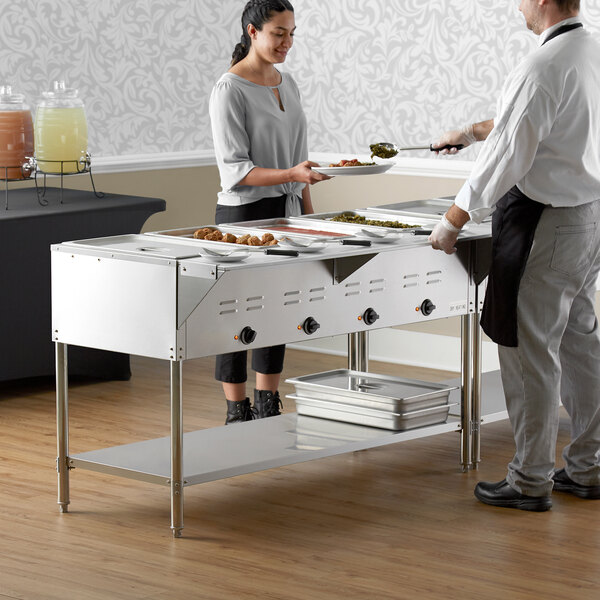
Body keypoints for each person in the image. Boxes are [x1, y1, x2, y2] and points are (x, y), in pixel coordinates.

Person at [429, 0, 600, 510]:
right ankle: (589, 466)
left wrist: (452, 220)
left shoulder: (543, 64)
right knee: (581, 347)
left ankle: (530, 479)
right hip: (588, 220)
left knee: (530, 352)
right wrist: (469, 132)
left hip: (545, 226)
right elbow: (531, 122)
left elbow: (508, 154)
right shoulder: (589, 51)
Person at [209, 0, 329, 425]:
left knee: (278, 307)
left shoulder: (287, 83)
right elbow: (236, 170)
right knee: (238, 311)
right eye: (279, 33)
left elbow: (301, 160)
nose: (287, 42)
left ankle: (267, 403)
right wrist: (292, 174)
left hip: (288, 209)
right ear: (252, 31)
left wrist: (310, 216)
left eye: (292, 33)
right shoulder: (230, 89)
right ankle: (236, 408)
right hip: (244, 214)